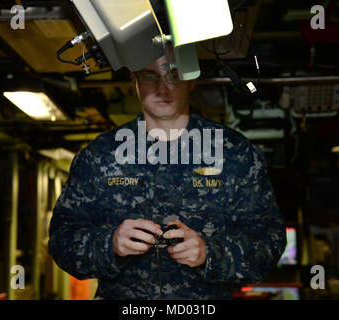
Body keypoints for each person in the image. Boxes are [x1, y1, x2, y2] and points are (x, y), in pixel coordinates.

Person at [48, 46, 287, 300]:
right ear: (134, 80)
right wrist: (110, 244)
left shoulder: (236, 155)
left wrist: (210, 253)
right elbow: (62, 241)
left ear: (191, 79)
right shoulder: (98, 157)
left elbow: (269, 243)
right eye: (149, 76)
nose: (162, 88)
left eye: (174, 74)